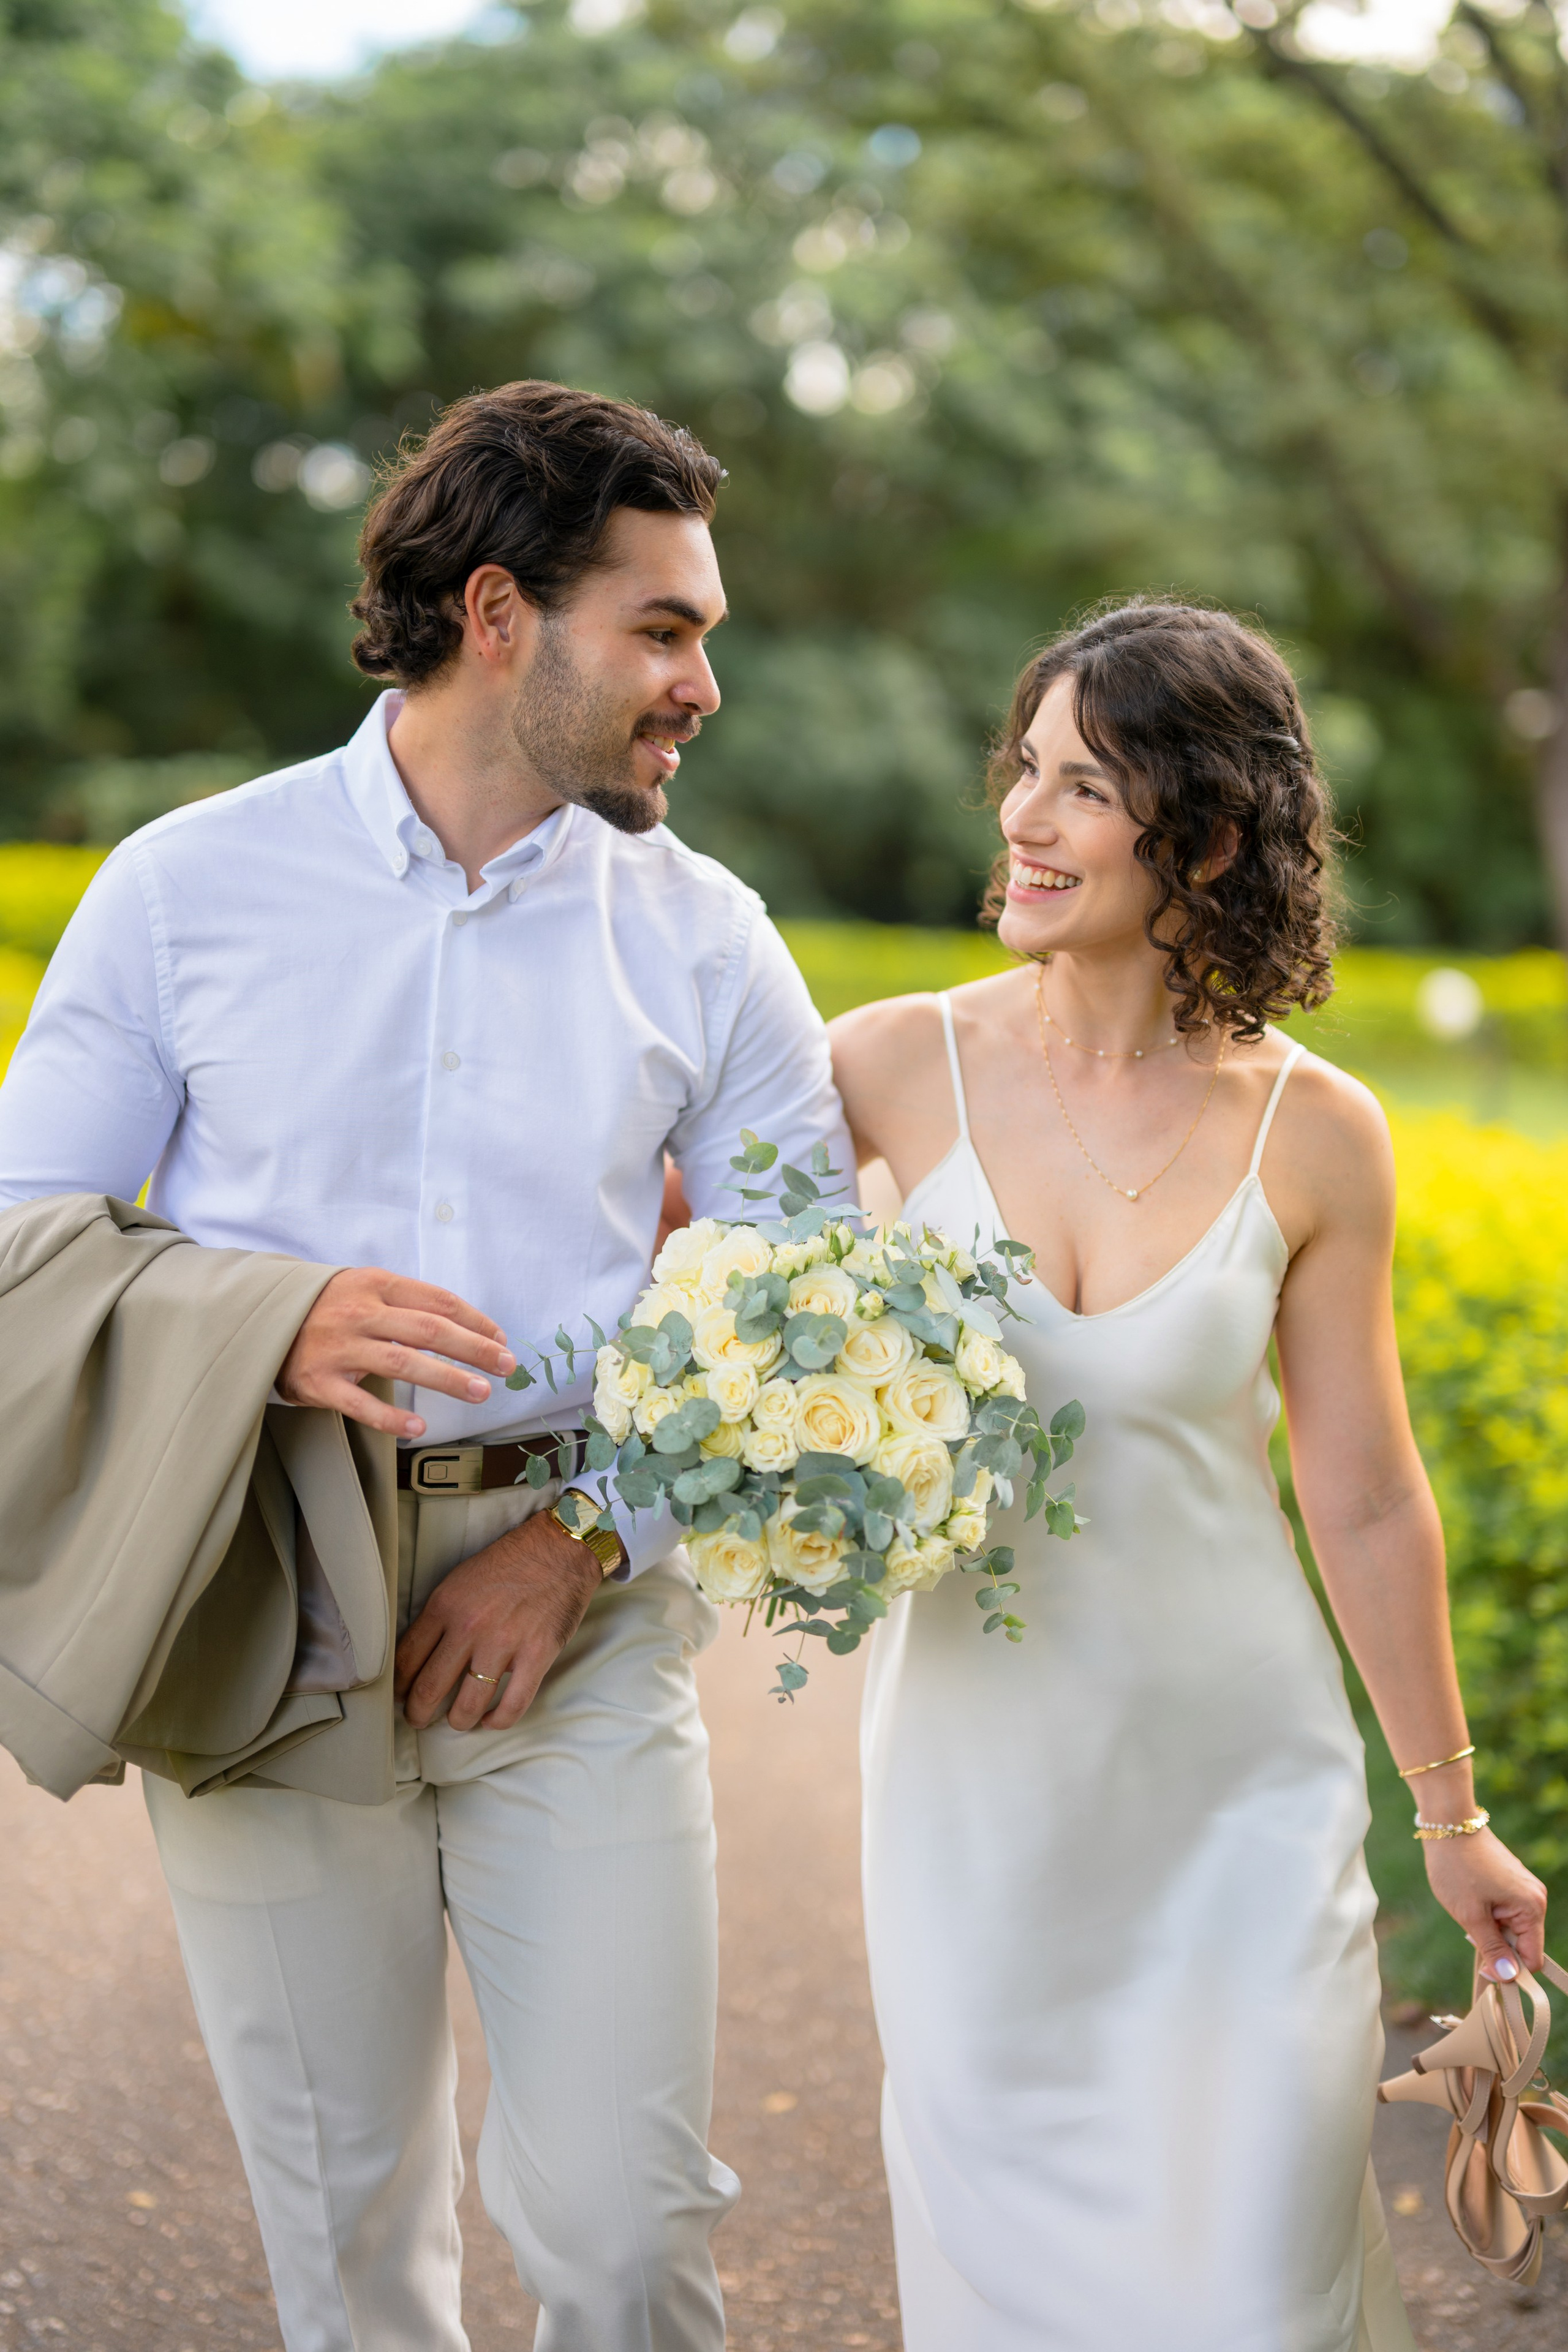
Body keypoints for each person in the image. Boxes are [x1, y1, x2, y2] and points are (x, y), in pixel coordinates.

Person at [0, 380, 850, 2352]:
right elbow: (20, 1236)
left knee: (631, 2236)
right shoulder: (185, 888)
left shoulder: (712, 939)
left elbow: (810, 1285)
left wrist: (582, 1548)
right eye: (664, 627)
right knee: (351, 2240)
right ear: (496, 615)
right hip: (263, 1602)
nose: (701, 682)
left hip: (583, 1614)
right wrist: (261, 1317)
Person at [829, 599, 1547, 2352]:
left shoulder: (1318, 1129)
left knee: (1255, 2291)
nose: (1019, 816)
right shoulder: (877, 1072)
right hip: (975, 1806)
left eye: (1080, 787)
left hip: (1243, 1804)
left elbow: (1365, 1491)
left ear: (1209, 837)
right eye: (1025, 770)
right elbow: (694, 1313)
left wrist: (1448, 1821)